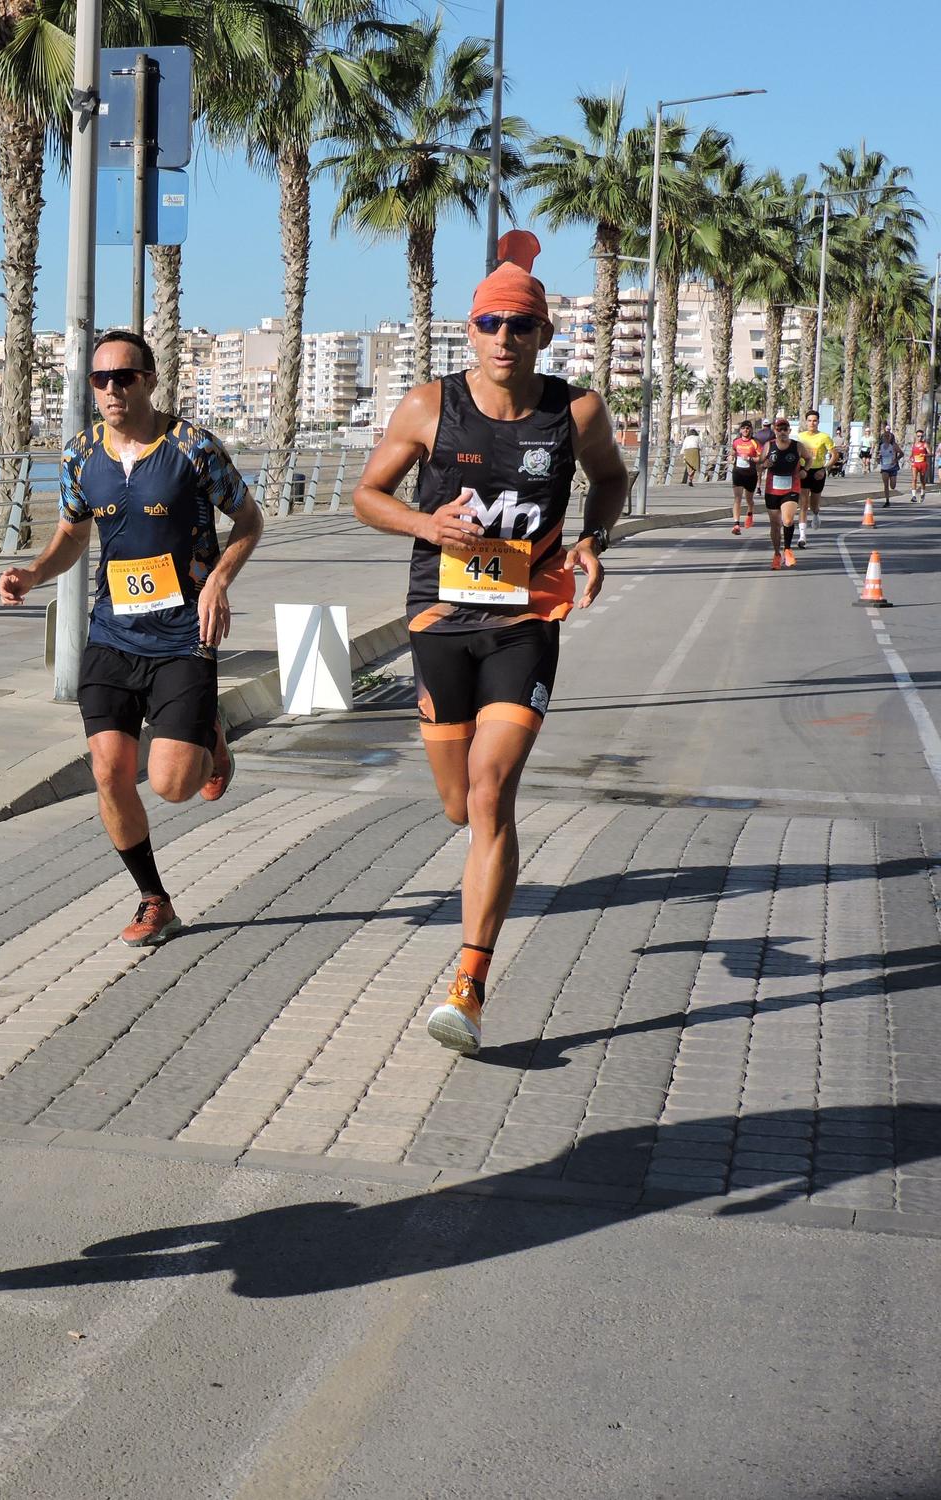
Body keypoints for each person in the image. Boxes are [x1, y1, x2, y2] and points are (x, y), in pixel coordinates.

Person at [351, 230, 628, 1056]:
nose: (504, 339)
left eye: (520, 325)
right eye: (489, 324)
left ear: (543, 334)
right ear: (468, 331)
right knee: (455, 802)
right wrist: (423, 521)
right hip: (440, 620)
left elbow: (610, 479)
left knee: (491, 792)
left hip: (525, 620)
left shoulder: (573, 411)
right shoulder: (428, 407)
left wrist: (593, 540)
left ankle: (469, 982)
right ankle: (479, 898)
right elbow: (368, 494)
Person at [0, 328, 262, 947]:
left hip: (182, 635)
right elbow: (71, 536)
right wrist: (34, 572)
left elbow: (248, 520)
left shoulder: (193, 447)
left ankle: (209, 735)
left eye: (124, 377)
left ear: (149, 380)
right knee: (110, 772)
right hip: (112, 634)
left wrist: (218, 580)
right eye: (100, 380)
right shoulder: (79, 455)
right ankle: (153, 897)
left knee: (172, 785)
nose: (111, 389)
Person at [761, 418, 805, 568]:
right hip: (772, 489)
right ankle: (776, 554)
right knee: (775, 524)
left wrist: (804, 470)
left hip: (791, 487)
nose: (782, 432)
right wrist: (764, 464)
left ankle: (787, 549)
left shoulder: (797, 446)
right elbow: (759, 465)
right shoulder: (769, 446)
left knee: (787, 520)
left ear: (789, 431)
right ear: (775, 431)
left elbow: (809, 458)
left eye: (785, 429)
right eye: (779, 429)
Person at [793, 409, 835, 537]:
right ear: (806, 422)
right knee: (803, 504)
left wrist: (824, 468)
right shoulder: (800, 437)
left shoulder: (824, 437)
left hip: (818, 472)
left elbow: (835, 455)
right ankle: (802, 535)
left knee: (814, 505)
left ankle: (816, 514)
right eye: (810, 421)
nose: (812, 423)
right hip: (804, 471)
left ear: (818, 422)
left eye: (815, 421)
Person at [727, 420, 762, 535]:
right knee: (737, 498)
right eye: (743, 428)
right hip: (738, 473)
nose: (745, 430)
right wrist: (731, 456)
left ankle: (750, 513)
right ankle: (736, 524)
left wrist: (750, 458)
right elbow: (733, 451)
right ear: (740, 430)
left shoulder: (755, 442)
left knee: (749, 500)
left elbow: (760, 459)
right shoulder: (736, 441)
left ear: (751, 430)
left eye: (748, 428)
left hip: (750, 474)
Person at [878, 428, 902, 504]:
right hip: (884, 467)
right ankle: (887, 500)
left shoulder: (894, 445)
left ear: (891, 437)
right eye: (885, 436)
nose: (886, 438)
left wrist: (896, 459)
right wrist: (879, 459)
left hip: (892, 467)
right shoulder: (881, 446)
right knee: (885, 485)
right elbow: (879, 456)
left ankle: (888, 499)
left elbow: (901, 453)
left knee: (893, 486)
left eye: (888, 436)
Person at [910, 432, 930, 500]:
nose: (920, 438)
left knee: (922, 480)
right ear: (916, 436)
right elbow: (911, 455)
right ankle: (913, 496)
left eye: (921, 436)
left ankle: (922, 493)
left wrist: (925, 455)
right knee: (914, 479)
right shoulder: (914, 445)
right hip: (915, 464)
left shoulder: (925, 444)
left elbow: (931, 454)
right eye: (918, 436)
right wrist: (911, 459)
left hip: (923, 464)